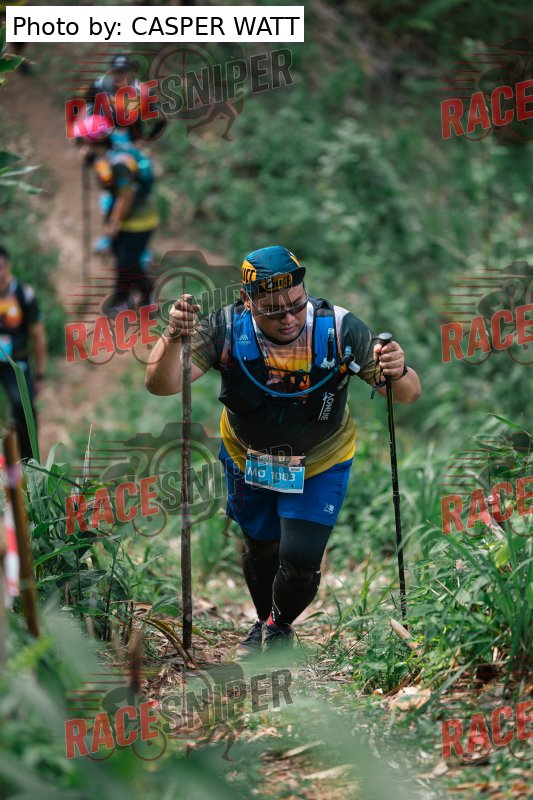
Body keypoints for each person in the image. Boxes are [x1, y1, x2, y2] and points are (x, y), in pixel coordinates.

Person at [145, 246, 421, 654]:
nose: (289, 318)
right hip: (247, 458)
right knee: (261, 547)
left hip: (320, 460)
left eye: (296, 304)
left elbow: (407, 393)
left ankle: (278, 626)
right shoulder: (224, 328)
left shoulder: (339, 328)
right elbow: (162, 384)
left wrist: (398, 369)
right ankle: (264, 621)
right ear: (247, 301)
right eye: (273, 310)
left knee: (300, 557)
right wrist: (172, 336)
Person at [74, 114, 159, 314]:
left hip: (138, 223)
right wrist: (91, 160)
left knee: (126, 263)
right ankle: (136, 296)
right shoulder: (109, 153)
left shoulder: (120, 161)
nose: (80, 144)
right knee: (125, 261)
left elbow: (126, 196)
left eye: (83, 139)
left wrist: (113, 224)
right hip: (128, 221)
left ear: (93, 140)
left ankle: (134, 297)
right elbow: (107, 178)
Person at [0, 246, 46, 460]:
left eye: (1, 267)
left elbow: (38, 335)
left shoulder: (23, 295)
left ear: (8, 266)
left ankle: (30, 460)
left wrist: (40, 374)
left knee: (23, 408)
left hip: (16, 363)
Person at [83, 54, 166, 144]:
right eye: (116, 72)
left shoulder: (142, 92)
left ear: (131, 73)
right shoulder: (99, 84)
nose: (120, 76)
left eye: (123, 72)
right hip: (100, 135)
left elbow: (162, 117)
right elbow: (85, 104)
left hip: (129, 139)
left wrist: (146, 139)